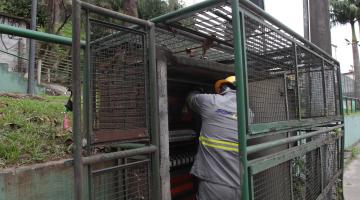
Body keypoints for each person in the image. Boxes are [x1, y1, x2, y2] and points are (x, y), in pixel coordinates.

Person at [187, 76, 254, 200]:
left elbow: (191, 99)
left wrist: (197, 90)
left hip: (213, 183)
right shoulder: (248, 113)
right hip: (240, 184)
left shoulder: (210, 101)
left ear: (222, 88)